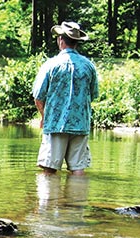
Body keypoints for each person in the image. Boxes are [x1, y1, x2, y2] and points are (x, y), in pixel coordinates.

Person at [32, 21, 99, 176]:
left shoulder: (51, 65)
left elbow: (38, 96)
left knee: (49, 168)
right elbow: (93, 94)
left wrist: (44, 116)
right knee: (78, 169)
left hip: (56, 124)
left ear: (61, 40)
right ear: (77, 42)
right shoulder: (89, 66)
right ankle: (76, 199)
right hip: (81, 124)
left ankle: (52, 200)